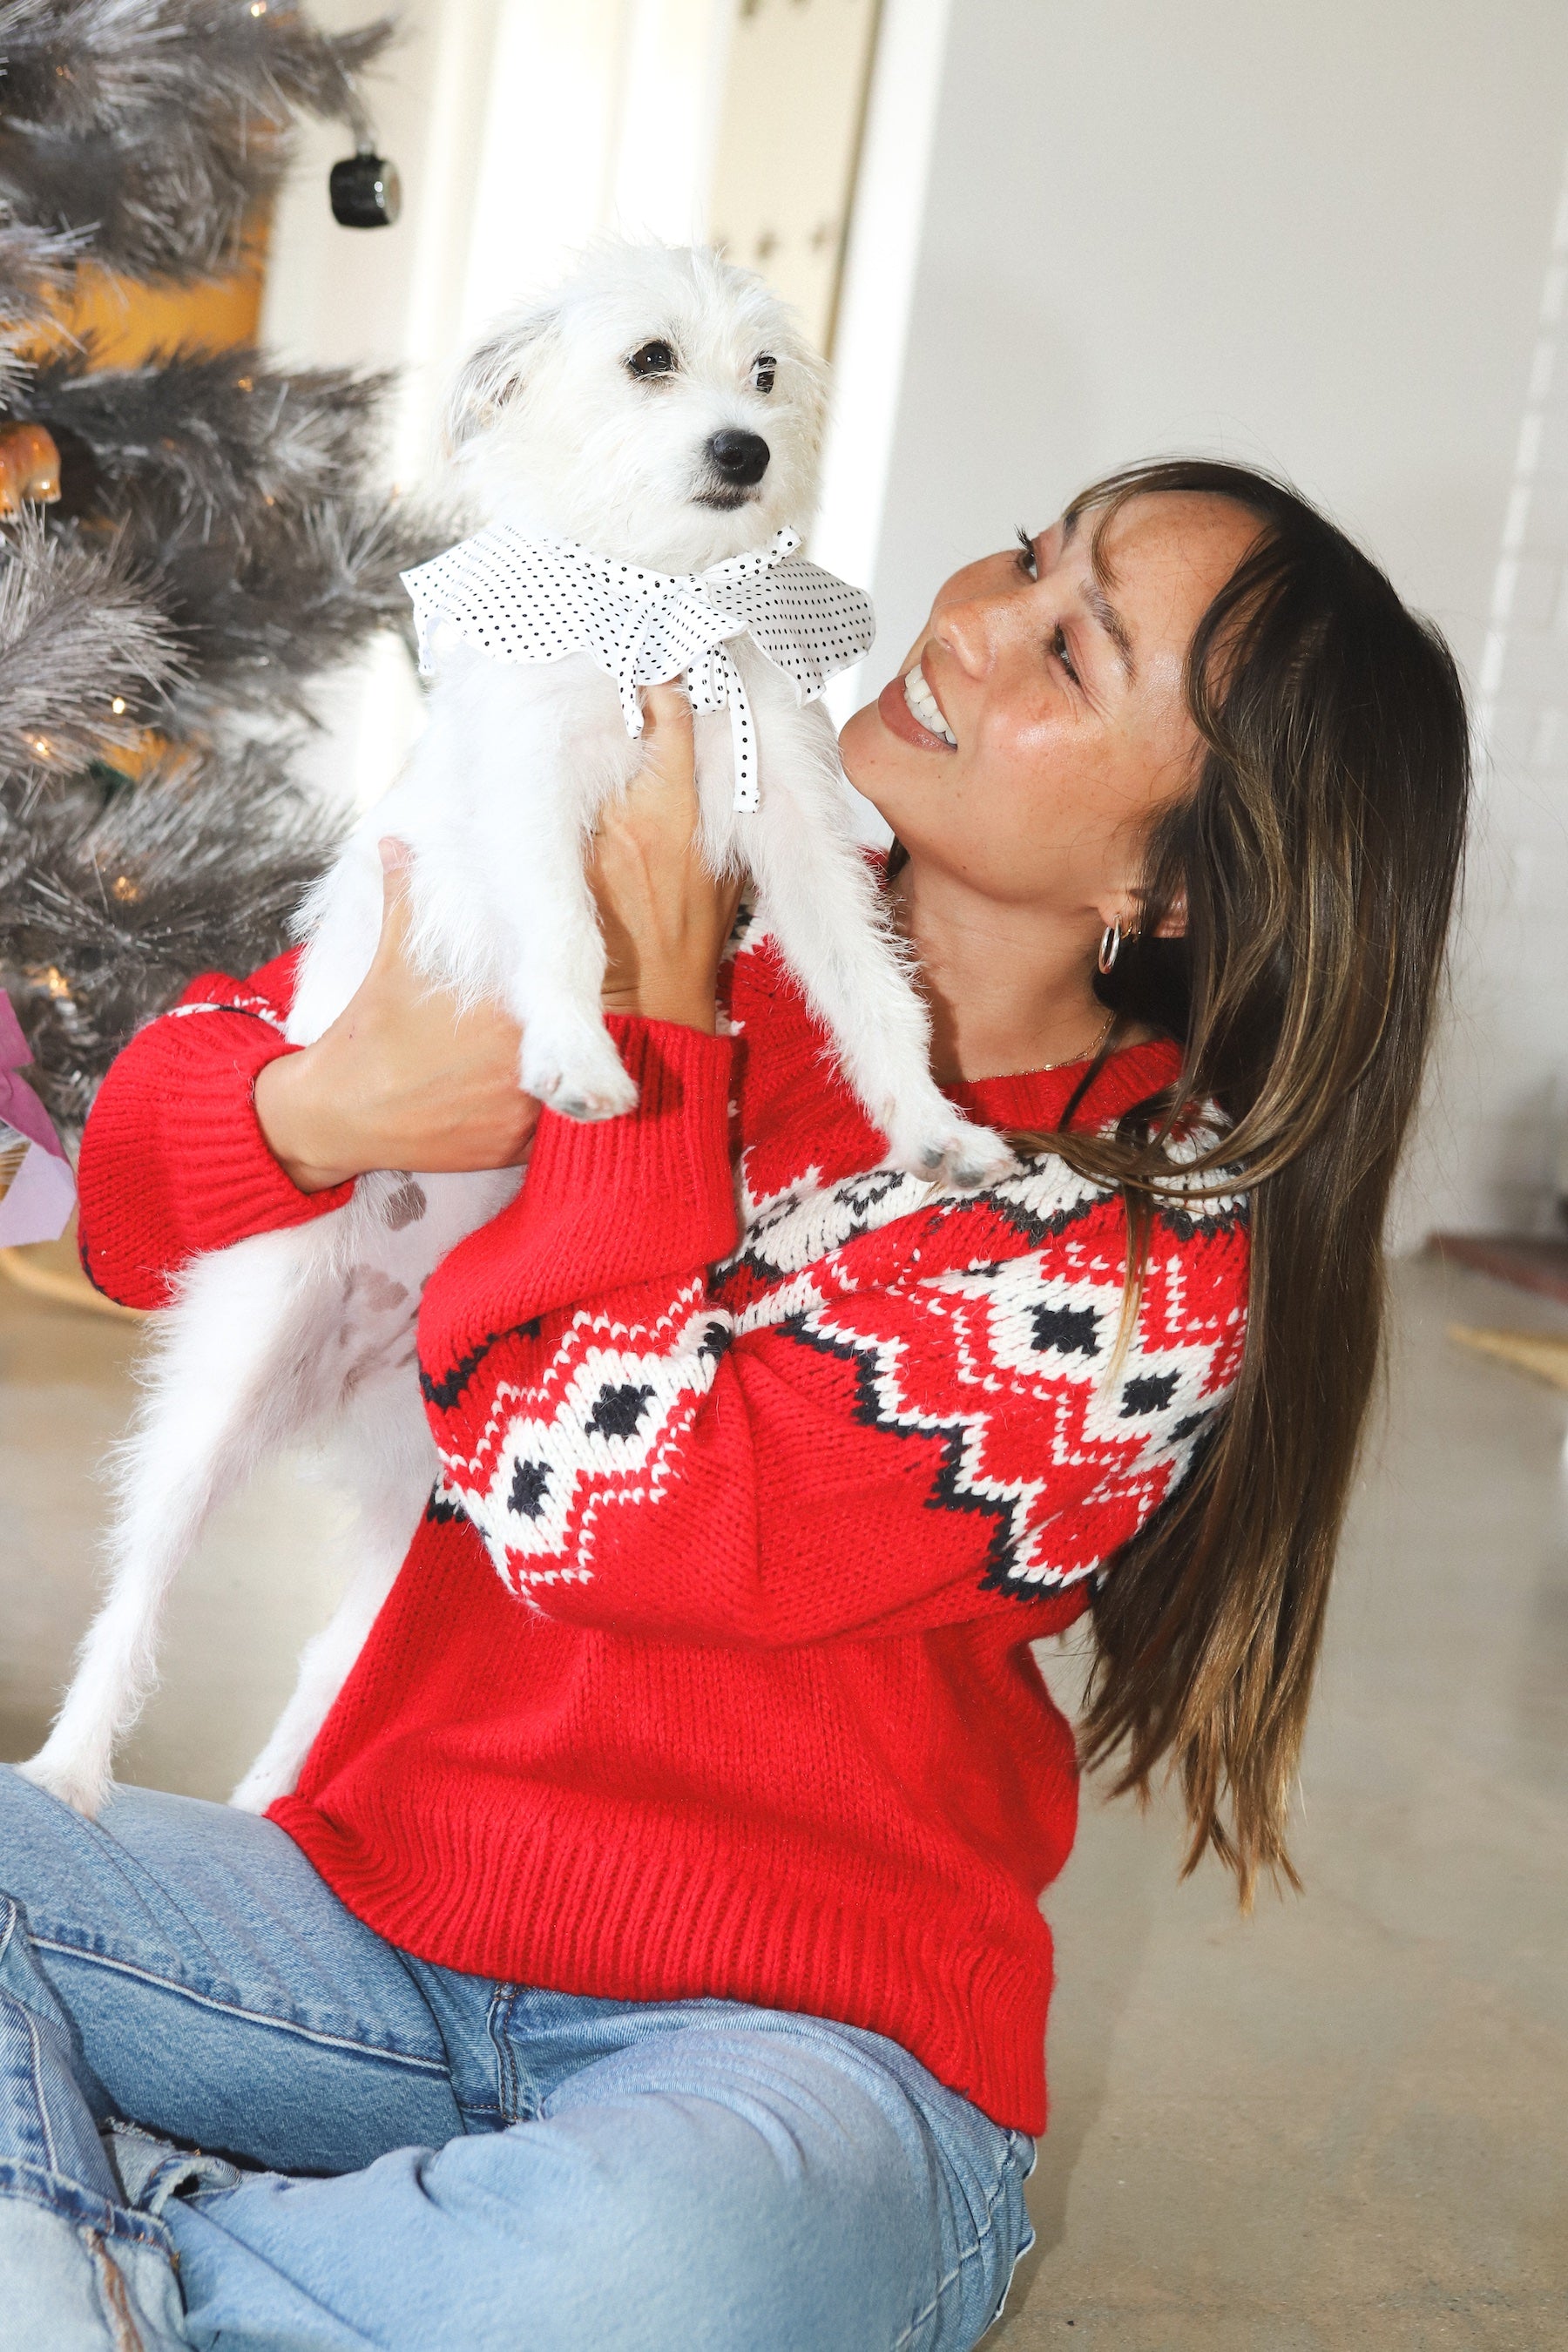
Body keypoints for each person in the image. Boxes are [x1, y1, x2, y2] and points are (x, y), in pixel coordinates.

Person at [0, 460, 1469, 2350]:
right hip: (366, 1944)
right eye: (1029, 552)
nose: (969, 617)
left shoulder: (1145, 1253)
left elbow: (600, 1515)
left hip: (787, 2068)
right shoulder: (682, 897)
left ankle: (113, 2257)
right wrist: (321, 1112)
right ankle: (221, 2274)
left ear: (1166, 882)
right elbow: (127, 1206)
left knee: (668, 2266)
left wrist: (660, 1045)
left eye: (1071, 649)